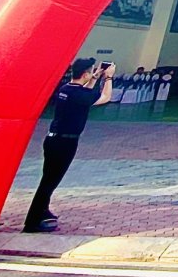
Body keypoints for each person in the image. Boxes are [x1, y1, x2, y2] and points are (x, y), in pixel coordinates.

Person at [24, 57, 113, 233]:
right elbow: (105, 97)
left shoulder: (66, 89)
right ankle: (33, 221)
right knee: (49, 182)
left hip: (53, 139)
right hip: (65, 142)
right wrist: (108, 77)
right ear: (85, 74)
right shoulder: (78, 94)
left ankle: (43, 210)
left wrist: (95, 77)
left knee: (48, 178)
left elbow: (85, 94)